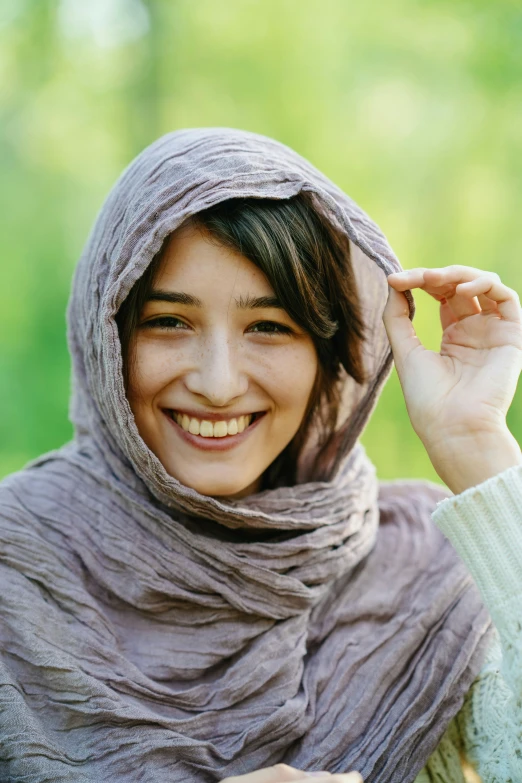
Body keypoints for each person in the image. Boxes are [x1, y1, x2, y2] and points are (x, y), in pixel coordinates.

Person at [0, 128, 520, 783]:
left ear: (331, 360)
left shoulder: (429, 573)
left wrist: (477, 447)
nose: (218, 383)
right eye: (168, 321)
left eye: (269, 327)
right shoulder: (15, 565)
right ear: (107, 342)